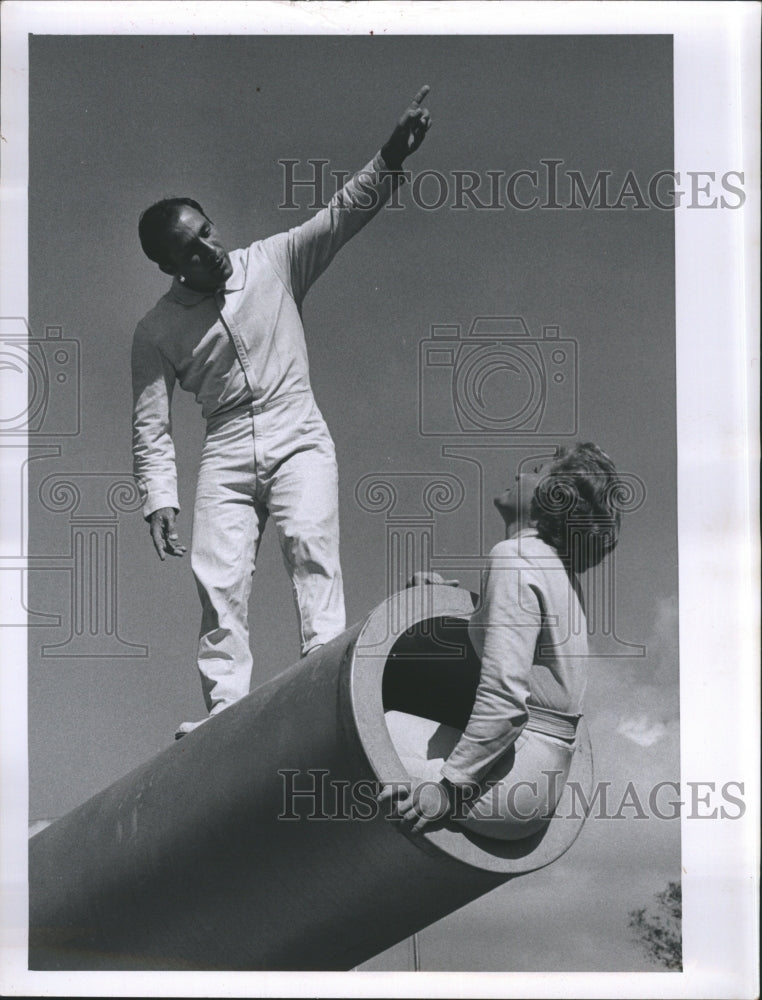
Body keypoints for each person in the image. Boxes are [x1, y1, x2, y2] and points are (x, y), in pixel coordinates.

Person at [132, 87, 432, 739]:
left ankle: (327, 674)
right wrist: (158, 497)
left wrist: (388, 156)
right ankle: (222, 712)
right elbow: (151, 422)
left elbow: (340, 215)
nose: (208, 249)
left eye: (207, 232)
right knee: (217, 575)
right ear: (167, 265)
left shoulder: (273, 261)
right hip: (227, 446)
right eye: (189, 248)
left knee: (312, 547)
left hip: (297, 429)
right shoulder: (156, 330)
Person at [379, 442, 622, 839]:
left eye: (540, 469)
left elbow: (507, 695)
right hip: (536, 785)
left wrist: (448, 790)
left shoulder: (516, 557)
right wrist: (431, 609)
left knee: (367, 735)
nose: (521, 472)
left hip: (508, 780)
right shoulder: (556, 573)